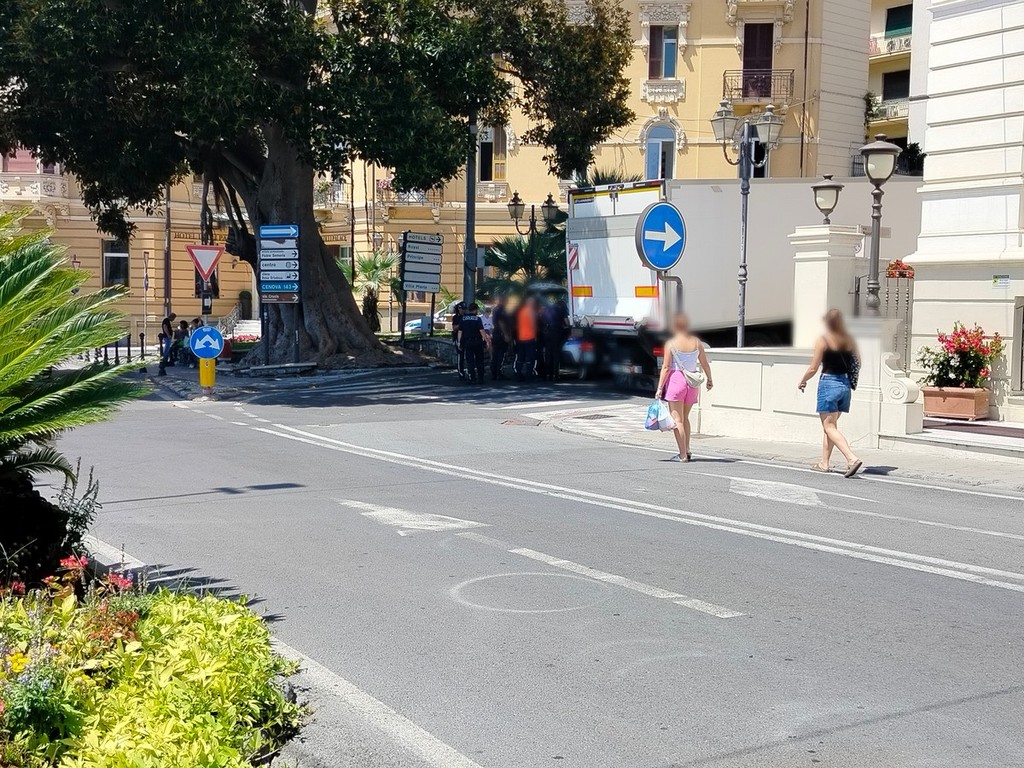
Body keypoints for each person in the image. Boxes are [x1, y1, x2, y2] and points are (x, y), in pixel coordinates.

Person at [799, 309, 863, 477]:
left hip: (829, 384)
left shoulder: (823, 340)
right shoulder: (849, 340)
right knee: (830, 427)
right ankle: (824, 463)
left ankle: (851, 459)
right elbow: (858, 362)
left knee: (829, 427)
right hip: (845, 386)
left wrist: (803, 380)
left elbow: (813, 367)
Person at [654, 313, 713, 462]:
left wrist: (660, 388)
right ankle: (687, 449)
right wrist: (709, 379)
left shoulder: (671, 343)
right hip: (692, 383)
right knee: (685, 418)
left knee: (677, 420)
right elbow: (705, 363)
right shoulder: (697, 342)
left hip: (676, 381)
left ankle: (682, 455)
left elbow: (666, 367)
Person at [457, 303, 490, 384]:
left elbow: (460, 331)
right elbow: (482, 331)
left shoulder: (464, 319)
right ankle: (480, 378)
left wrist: (459, 342)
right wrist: (486, 341)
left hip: (468, 342)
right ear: (476, 310)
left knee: (470, 361)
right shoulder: (477, 319)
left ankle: (472, 378)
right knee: (479, 360)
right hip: (478, 342)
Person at [541, 298, 569, 382]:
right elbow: (566, 322)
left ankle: (547, 374)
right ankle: (555, 375)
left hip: (547, 333)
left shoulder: (547, 309)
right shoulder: (562, 309)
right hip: (556, 333)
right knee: (555, 353)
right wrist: (567, 326)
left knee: (548, 354)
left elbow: (542, 319)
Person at [514, 297, 539, 381]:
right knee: (530, 357)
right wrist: (536, 335)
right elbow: (533, 324)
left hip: (521, 337)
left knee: (520, 357)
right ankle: (529, 375)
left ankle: (518, 374)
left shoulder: (521, 311)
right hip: (530, 337)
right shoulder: (531, 311)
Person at [490, 296, 513, 381]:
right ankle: (499, 372)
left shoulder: (495, 309)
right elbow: (501, 322)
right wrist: (506, 334)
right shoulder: (502, 310)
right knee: (501, 355)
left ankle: (494, 372)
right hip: (501, 335)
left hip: (496, 334)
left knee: (495, 354)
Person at [451, 302, 466, 379]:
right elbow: (454, 328)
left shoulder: (466, 316)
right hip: (459, 338)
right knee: (460, 356)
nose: (463, 310)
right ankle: (461, 373)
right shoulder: (456, 317)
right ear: (459, 309)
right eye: (462, 309)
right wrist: (462, 324)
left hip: (467, 337)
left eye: (464, 309)